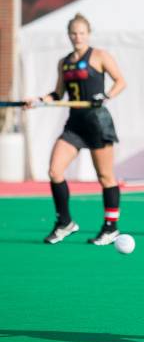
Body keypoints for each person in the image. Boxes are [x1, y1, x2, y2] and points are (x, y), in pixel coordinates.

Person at [26, 13, 126, 245]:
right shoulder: (64, 62)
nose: (77, 37)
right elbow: (57, 94)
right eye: (73, 33)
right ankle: (65, 222)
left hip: (98, 122)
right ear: (68, 35)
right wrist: (38, 100)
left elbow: (121, 81)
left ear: (88, 34)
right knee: (54, 171)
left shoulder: (100, 56)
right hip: (75, 124)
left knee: (105, 176)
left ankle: (111, 227)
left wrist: (106, 96)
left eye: (81, 33)